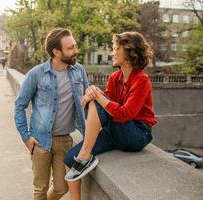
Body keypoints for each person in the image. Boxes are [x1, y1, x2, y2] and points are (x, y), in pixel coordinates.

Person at [63, 31, 157, 199]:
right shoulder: (115, 78)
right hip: (113, 131)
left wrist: (97, 96)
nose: (112, 52)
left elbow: (124, 114)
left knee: (99, 100)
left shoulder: (142, 80)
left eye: (115, 48)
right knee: (69, 159)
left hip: (136, 134)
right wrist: (89, 96)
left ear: (129, 52)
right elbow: (101, 107)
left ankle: (85, 157)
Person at [14, 28, 88, 200]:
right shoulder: (37, 74)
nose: (75, 51)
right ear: (56, 52)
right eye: (70, 48)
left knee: (62, 188)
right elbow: (19, 106)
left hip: (64, 140)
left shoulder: (79, 71)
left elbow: (87, 103)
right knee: (40, 188)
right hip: (40, 141)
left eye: (75, 46)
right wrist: (26, 138)